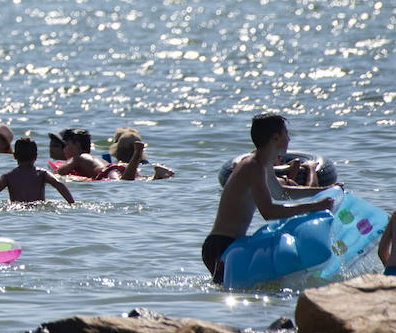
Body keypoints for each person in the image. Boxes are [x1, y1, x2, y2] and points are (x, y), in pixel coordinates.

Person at [202, 114, 334, 284]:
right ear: (276, 137)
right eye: (286, 133)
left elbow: (280, 193)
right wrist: (314, 206)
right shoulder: (253, 166)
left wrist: (324, 190)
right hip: (221, 246)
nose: (289, 138)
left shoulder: (263, 164)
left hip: (228, 244)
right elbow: (268, 211)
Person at [0, 137, 75, 206]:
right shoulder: (42, 173)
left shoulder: (8, 176)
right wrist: (72, 203)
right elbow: (59, 184)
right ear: (36, 156)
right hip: (37, 209)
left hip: (17, 209)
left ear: (15, 156)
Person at [108, 128, 174, 180]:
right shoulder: (144, 162)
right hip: (142, 168)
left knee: (124, 179)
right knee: (141, 178)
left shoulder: (117, 164)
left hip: (125, 170)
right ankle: (157, 176)